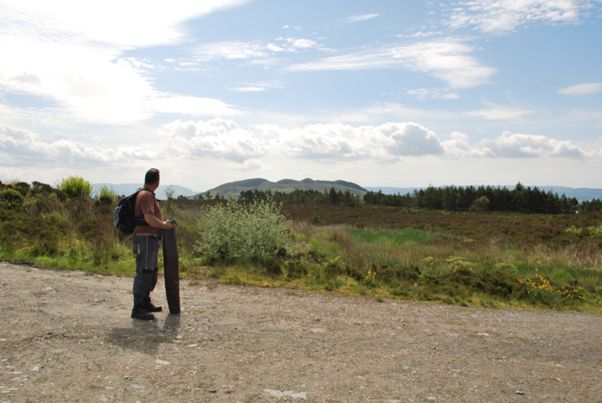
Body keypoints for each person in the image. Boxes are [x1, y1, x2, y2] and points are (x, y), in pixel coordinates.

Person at [131, 168, 175, 321]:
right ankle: (138, 308)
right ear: (157, 180)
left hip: (148, 239)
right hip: (145, 239)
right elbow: (149, 219)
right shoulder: (146, 196)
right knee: (145, 272)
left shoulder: (144, 194)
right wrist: (165, 225)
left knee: (151, 272)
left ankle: (144, 302)